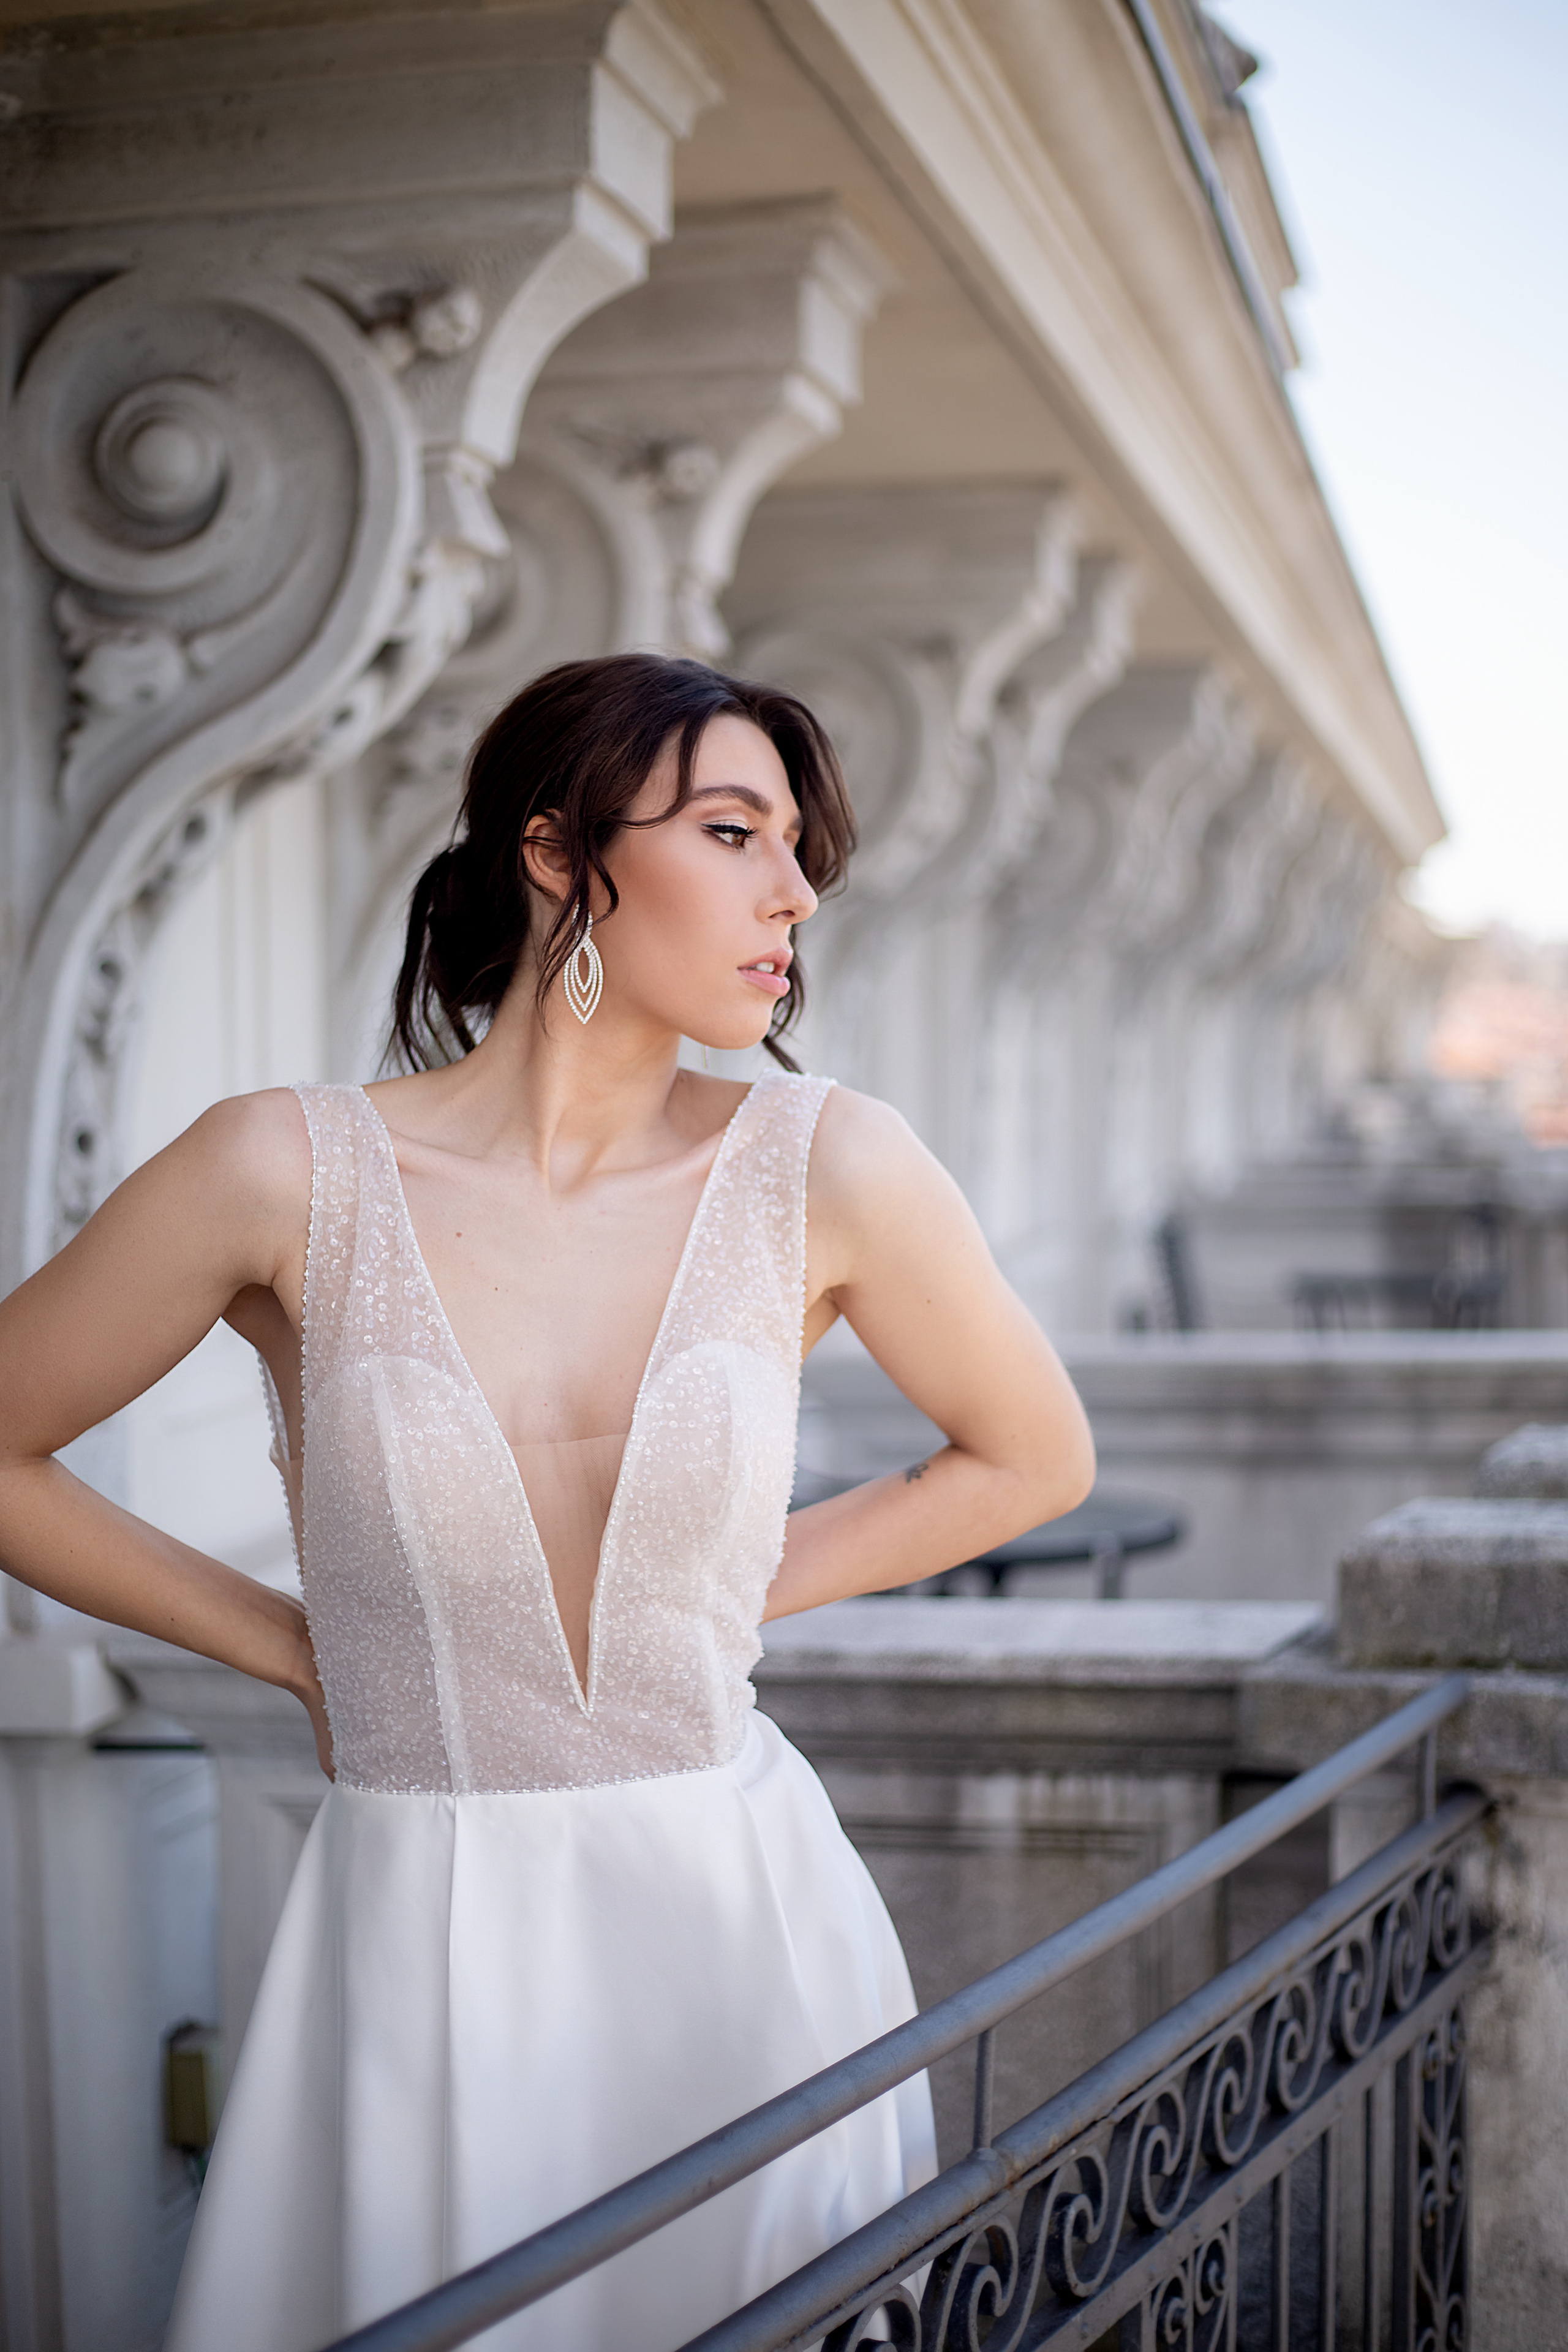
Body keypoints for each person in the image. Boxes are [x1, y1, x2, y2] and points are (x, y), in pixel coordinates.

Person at [0, 652, 1095, 2350]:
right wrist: (298, 1649)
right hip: (427, 1940)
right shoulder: (282, 1170)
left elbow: (1034, 1457)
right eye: (731, 832)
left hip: (740, 1933)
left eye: (797, 846)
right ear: (560, 851)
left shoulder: (829, 1165)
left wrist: (713, 1602)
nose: (794, 893)